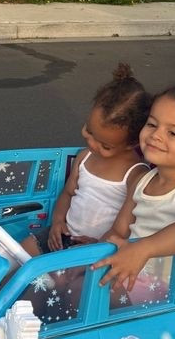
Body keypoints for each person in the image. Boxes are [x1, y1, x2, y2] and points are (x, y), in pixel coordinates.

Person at [93, 85, 175, 294]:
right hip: (127, 268)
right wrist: (89, 258)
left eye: (172, 133)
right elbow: (118, 231)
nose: (156, 135)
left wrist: (143, 249)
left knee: (77, 295)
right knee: (65, 281)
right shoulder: (142, 181)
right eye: (152, 124)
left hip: (166, 291)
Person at [22, 63, 152, 257]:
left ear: (132, 142)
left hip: (96, 248)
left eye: (105, 146)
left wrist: (99, 246)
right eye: (89, 131)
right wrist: (57, 221)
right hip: (63, 235)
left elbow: (123, 227)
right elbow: (67, 194)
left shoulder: (135, 174)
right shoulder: (85, 157)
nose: (92, 144)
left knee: (58, 282)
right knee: (19, 251)